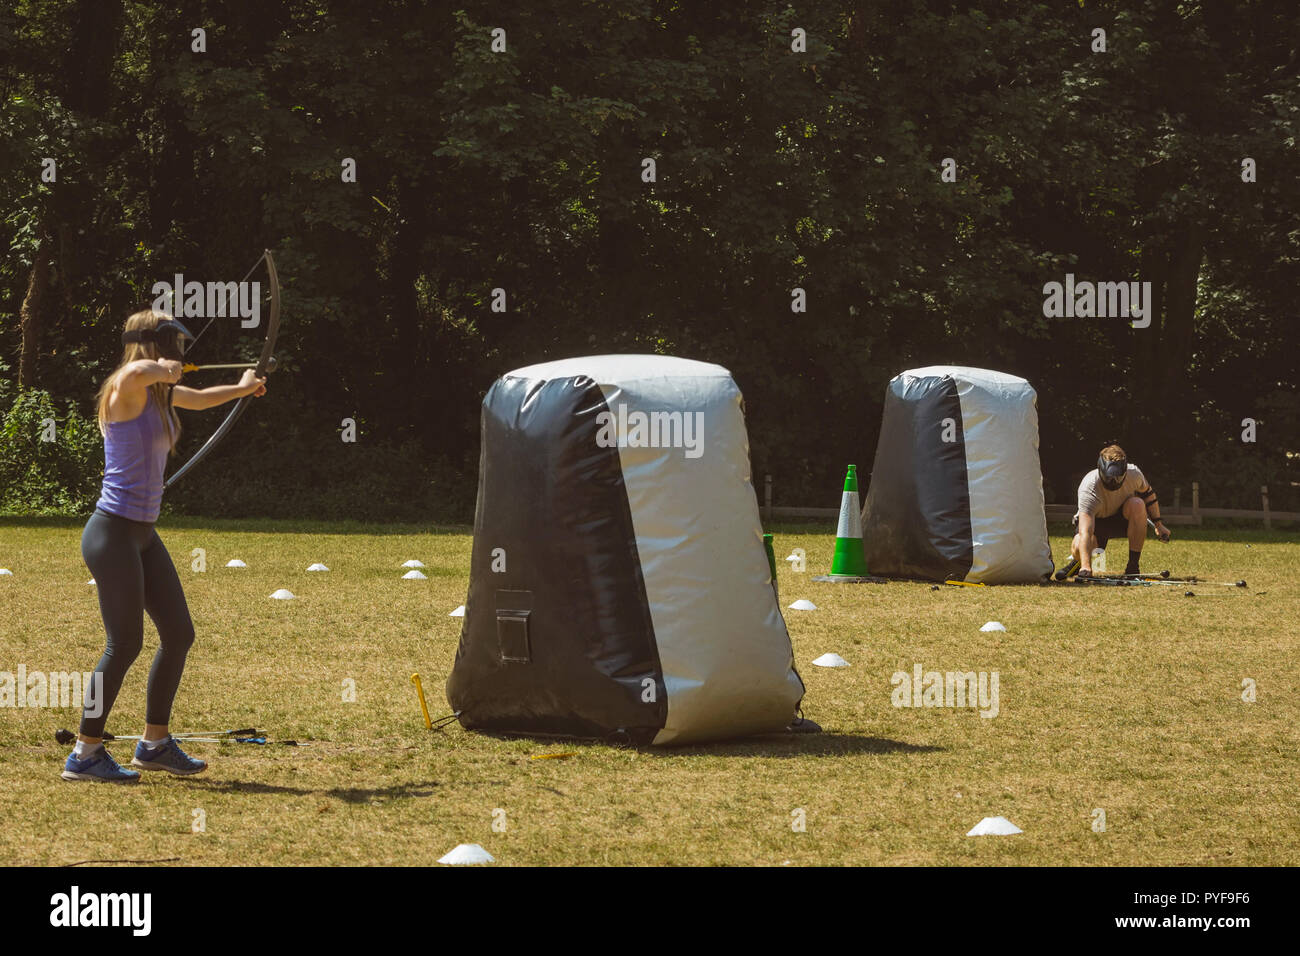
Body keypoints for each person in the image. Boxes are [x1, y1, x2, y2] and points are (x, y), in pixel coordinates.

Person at [62, 310, 268, 783]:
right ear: (153, 345)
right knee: (125, 643)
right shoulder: (127, 385)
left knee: (178, 634)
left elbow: (199, 398)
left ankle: (154, 744)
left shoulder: (160, 393)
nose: (180, 355)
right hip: (110, 533)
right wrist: (161, 369)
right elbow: (136, 370)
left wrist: (242, 387)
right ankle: (84, 752)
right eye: (172, 346)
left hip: (143, 535)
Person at [1058, 442, 1171, 580]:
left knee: (1137, 503)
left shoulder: (1134, 474)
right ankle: (1077, 563)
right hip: (1097, 523)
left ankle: (1132, 567)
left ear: (1124, 471)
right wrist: (1086, 566)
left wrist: (1159, 525)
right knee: (1080, 548)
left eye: (1118, 477)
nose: (1113, 482)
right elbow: (1085, 531)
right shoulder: (1089, 487)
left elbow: (1149, 495)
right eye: (1108, 477)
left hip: (1120, 518)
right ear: (1100, 470)